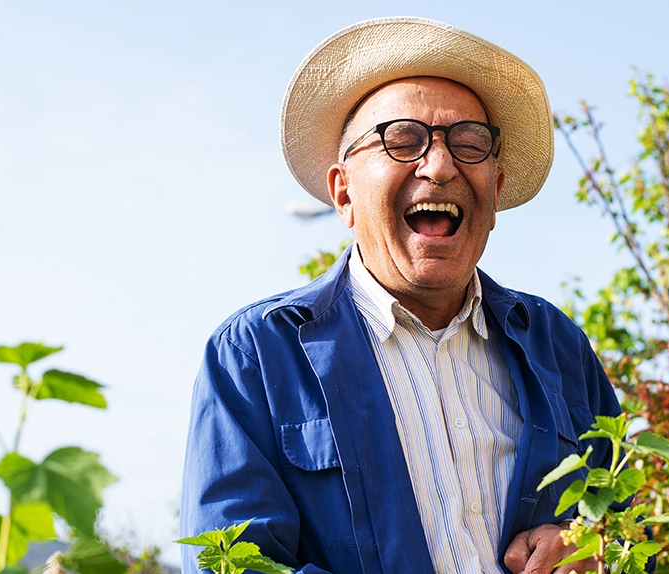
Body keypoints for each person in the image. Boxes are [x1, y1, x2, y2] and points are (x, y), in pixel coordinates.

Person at [182, 17, 635, 574]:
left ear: (494, 190)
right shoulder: (257, 354)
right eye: (402, 139)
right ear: (343, 193)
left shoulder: (556, 343)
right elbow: (232, 565)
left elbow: (632, 525)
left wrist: (594, 545)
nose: (440, 165)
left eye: (470, 143)